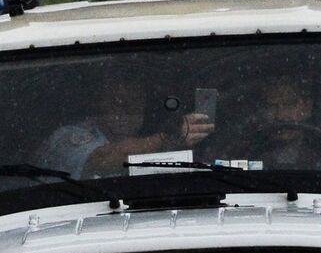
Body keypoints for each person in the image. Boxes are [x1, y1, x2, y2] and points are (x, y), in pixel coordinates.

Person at [40, 75, 213, 179]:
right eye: (118, 103)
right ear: (99, 102)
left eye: (134, 103)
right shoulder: (68, 137)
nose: (126, 111)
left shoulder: (145, 141)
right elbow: (101, 160)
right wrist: (169, 137)